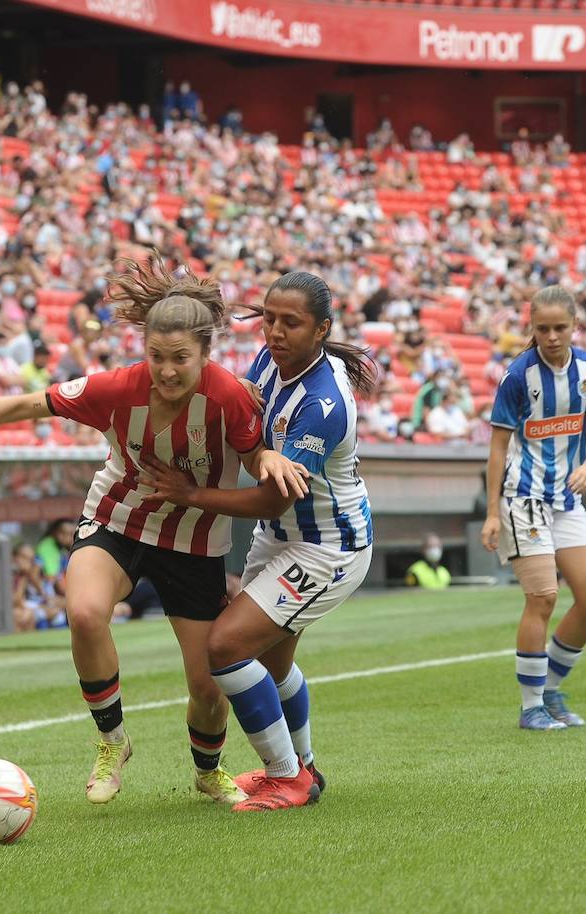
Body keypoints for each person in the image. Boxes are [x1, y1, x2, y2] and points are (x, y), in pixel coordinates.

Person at [0, 254, 309, 808]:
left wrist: (270, 463)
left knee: (209, 687)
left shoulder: (229, 396)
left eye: (181, 358)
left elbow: (256, 459)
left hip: (195, 544)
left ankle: (208, 770)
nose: (167, 370)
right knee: (84, 611)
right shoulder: (115, 389)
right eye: (156, 356)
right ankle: (113, 742)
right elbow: (24, 403)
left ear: (206, 355)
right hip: (118, 521)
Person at [139, 271, 376, 812]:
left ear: (321, 330)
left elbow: (273, 499)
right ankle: (305, 769)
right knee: (267, 665)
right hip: (281, 539)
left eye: (290, 323)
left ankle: (284, 776)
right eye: (269, 318)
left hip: (327, 548)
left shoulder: (322, 404)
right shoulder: (274, 362)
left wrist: (190, 494)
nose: (274, 332)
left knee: (224, 647)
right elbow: (244, 418)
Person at [481, 286, 586, 731]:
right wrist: (493, 512)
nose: (552, 336)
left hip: (566, 498)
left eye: (560, 327)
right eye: (543, 329)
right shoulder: (518, 376)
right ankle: (531, 705)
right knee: (543, 597)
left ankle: (551, 690)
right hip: (523, 497)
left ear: (575, 326)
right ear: (531, 328)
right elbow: (497, 449)